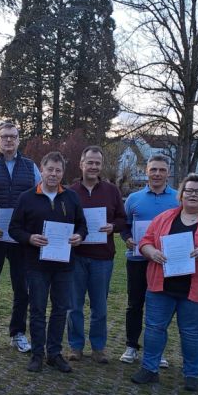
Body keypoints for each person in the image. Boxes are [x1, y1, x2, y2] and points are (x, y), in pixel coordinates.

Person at [132, 174, 198, 391]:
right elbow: (146, 240)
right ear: (181, 194)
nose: (193, 195)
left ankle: (191, 373)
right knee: (154, 328)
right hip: (162, 285)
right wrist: (151, 252)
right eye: (189, 190)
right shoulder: (165, 217)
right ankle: (149, 368)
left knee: (191, 332)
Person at [9, 152, 87, 374]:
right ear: (41, 170)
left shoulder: (71, 198)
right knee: (37, 309)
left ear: (63, 173)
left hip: (64, 265)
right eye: (50, 169)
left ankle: (54, 353)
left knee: (60, 310)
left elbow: (82, 226)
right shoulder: (26, 197)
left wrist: (79, 236)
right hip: (36, 265)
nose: (53, 174)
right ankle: (37, 354)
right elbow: (14, 229)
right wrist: (29, 238)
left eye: (58, 170)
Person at [0, 122, 42, 354]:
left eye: (13, 136)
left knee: (21, 288)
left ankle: (18, 333)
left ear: (18, 139)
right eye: (4, 136)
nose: (9, 140)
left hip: (20, 238)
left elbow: (39, 199)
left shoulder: (31, 167)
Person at [66, 146, 127, 364]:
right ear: (81, 164)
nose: (93, 167)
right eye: (89, 162)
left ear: (101, 166)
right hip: (77, 256)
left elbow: (123, 219)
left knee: (99, 306)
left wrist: (113, 226)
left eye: (97, 163)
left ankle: (98, 347)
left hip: (102, 257)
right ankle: (75, 346)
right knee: (74, 305)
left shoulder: (112, 191)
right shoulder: (70, 192)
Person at [119, 155, 179, 368]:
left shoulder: (178, 199)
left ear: (168, 173)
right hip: (137, 259)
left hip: (165, 260)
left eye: (162, 170)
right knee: (134, 303)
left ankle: (156, 350)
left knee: (161, 307)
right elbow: (124, 224)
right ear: (146, 171)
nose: (157, 174)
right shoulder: (134, 199)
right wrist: (126, 238)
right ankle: (132, 346)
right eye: (153, 169)